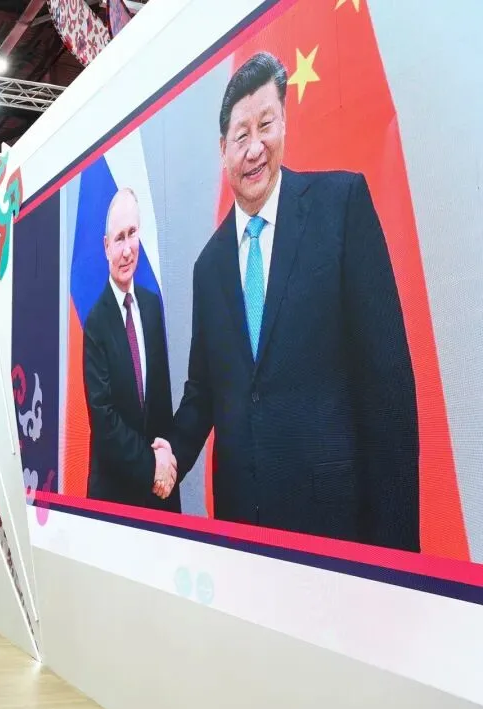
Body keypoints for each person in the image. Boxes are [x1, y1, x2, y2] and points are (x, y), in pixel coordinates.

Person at [164, 51, 419, 551]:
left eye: (266, 125)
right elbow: (203, 393)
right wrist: (168, 455)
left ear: (284, 122)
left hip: (337, 529)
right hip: (244, 529)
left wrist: (397, 556)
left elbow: (387, 385)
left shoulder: (340, 207)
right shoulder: (208, 266)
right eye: (241, 135)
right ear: (223, 150)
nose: (254, 148)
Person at [82, 188, 178, 511]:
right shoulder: (95, 323)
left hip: (158, 495)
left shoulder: (151, 307)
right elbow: (104, 419)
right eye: (119, 238)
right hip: (115, 495)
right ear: (106, 246)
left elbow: (161, 402)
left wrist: (167, 460)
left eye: (132, 234)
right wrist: (152, 467)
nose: (126, 250)